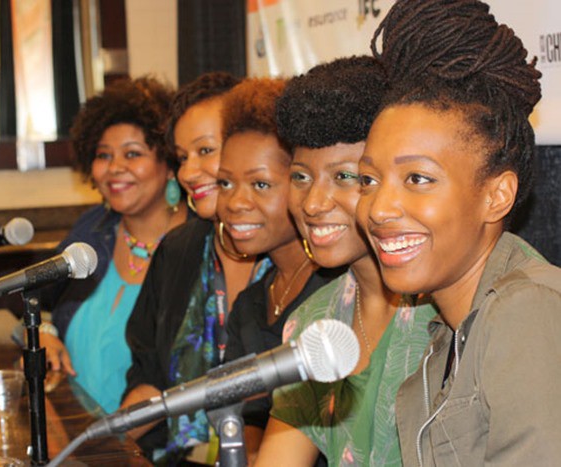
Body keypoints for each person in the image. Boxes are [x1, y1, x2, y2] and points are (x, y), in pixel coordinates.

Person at [357, 0, 561, 464]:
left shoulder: (526, 310)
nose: (379, 208)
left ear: (497, 195)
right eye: (369, 180)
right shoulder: (446, 335)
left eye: (418, 179)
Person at [254, 57, 437, 467]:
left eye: (345, 177)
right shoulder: (313, 324)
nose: (314, 203)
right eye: (301, 177)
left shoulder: (450, 311)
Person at [122, 72, 272, 463]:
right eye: (182, 157)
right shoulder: (178, 251)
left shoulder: (299, 263)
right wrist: (94, 445)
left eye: (206, 150)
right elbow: (149, 377)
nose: (188, 173)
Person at [38, 76, 187, 414]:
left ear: (169, 164)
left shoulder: (198, 244)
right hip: (76, 436)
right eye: (104, 155)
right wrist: (45, 332)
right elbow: (42, 306)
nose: (115, 168)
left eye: (133, 154)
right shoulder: (92, 230)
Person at [217, 77, 337, 463]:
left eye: (261, 184)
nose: (236, 201)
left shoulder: (336, 292)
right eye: (226, 182)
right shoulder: (251, 303)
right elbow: (245, 416)